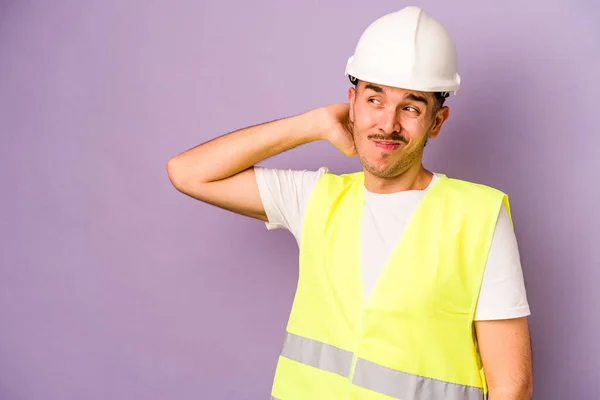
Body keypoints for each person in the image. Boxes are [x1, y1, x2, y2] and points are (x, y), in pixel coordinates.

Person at [167, 6, 533, 400]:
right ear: (351, 104)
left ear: (437, 122)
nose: (388, 124)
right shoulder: (313, 199)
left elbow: (510, 385)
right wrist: (312, 124)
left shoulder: (478, 216)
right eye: (374, 100)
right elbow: (189, 172)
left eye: (410, 108)